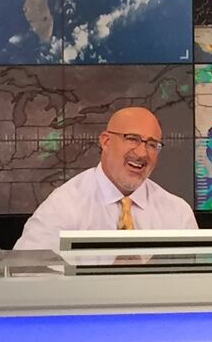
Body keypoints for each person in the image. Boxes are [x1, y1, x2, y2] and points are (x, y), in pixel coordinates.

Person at [13, 106, 198, 251]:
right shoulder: (63, 206)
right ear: (106, 141)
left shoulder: (178, 214)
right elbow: (26, 275)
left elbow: (197, 280)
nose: (142, 153)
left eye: (152, 144)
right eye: (132, 139)